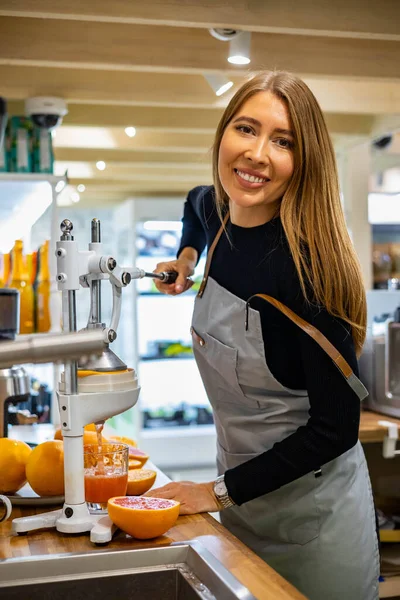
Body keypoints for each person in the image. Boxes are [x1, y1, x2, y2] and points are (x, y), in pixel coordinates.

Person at [150, 71, 380, 600]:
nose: (256, 154)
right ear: (223, 134)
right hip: (242, 503)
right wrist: (186, 260)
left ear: (306, 162)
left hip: (314, 524)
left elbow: (336, 428)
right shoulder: (220, 212)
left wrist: (211, 492)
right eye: (246, 129)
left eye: (283, 141)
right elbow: (194, 202)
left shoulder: (305, 275)